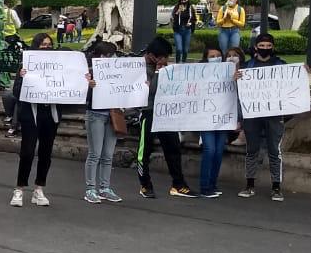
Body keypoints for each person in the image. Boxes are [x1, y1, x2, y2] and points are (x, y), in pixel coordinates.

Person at [135, 36, 196, 199]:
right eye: (162, 57)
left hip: (166, 112)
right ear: (152, 56)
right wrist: (157, 72)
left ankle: (178, 184)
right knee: (144, 151)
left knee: (173, 148)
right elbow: (149, 91)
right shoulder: (138, 68)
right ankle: (145, 184)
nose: (165, 60)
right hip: (148, 111)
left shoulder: (164, 67)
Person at [10, 33, 61, 208]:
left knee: (46, 153)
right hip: (31, 114)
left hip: (50, 114)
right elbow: (16, 92)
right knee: (27, 152)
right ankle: (20, 188)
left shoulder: (58, 65)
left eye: (49, 44)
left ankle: (39, 188)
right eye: (43, 44)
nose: (46, 47)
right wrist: (22, 78)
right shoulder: (26, 65)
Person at [238, 34, 287, 201]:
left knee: (274, 151)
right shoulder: (247, 66)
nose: (265, 48)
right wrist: (235, 79)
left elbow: (292, 82)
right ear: (256, 47)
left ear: (272, 47)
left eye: (268, 45)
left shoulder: (281, 65)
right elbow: (238, 91)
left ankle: (276, 187)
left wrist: (302, 73)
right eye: (262, 45)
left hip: (274, 115)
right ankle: (249, 185)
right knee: (252, 150)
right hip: (252, 115)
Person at [83, 40, 123, 203]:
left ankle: (105, 188)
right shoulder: (89, 72)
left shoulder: (118, 71)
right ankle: (90, 189)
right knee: (95, 154)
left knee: (108, 155)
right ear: (100, 56)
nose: (113, 57)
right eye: (109, 55)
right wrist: (88, 85)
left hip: (113, 114)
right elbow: (78, 94)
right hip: (96, 115)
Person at [195, 44, 230, 198]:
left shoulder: (227, 72)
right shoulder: (199, 73)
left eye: (218, 56)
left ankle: (213, 184)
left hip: (222, 118)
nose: (215, 59)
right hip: (206, 117)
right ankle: (205, 186)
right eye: (212, 56)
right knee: (210, 150)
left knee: (218, 151)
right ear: (206, 58)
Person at [171, 0, 198, 64]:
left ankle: (183, 62)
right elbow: (173, 18)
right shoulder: (177, 7)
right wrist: (178, 12)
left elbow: (194, 19)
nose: (183, 2)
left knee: (185, 50)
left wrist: (190, 23)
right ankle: (177, 62)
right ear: (180, 1)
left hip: (187, 30)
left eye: (185, 0)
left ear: (188, 1)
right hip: (178, 30)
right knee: (179, 49)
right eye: (182, 0)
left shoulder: (190, 8)